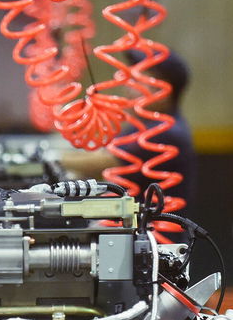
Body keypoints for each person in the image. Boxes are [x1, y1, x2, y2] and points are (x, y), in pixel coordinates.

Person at [61, 49, 195, 212]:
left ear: (164, 90)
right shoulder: (142, 125)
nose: (129, 87)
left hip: (155, 232)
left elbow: (104, 162)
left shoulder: (166, 133)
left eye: (139, 80)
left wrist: (51, 160)